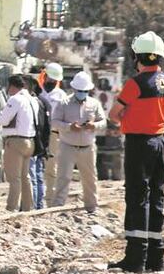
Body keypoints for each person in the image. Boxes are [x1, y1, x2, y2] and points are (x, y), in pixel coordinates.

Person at [107, 31, 164, 273]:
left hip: (138, 144)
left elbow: (114, 113)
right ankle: (156, 257)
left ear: (138, 57)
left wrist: (122, 120)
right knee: (156, 196)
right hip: (158, 141)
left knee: (137, 197)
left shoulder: (135, 83)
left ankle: (136, 258)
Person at [50, 72, 106, 212]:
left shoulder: (94, 103)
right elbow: (55, 121)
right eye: (80, 91)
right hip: (67, 145)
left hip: (88, 147)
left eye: (85, 91)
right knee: (63, 177)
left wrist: (95, 126)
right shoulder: (64, 103)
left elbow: (103, 121)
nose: (82, 93)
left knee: (90, 178)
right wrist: (69, 127)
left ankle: (92, 206)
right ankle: (58, 207)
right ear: (74, 89)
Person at [0, 75, 38, 212]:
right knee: (25, 177)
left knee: (14, 178)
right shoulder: (32, 100)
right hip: (30, 141)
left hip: (15, 141)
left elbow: (4, 120)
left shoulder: (15, 99)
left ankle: (11, 208)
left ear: (12, 86)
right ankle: (28, 207)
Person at [38, 63, 69, 207]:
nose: (51, 82)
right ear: (45, 76)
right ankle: (36, 199)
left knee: (51, 169)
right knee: (35, 167)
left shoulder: (61, 96)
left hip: (53, 135)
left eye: (54, 80)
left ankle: (50, 201)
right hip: (37, 133)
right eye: (49, 79)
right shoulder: (37, 92)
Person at [26, 75, 52, 210]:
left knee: (33, 175)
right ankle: (38, 205)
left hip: (35, 142)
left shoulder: (36, 102)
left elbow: (41, 125)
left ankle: (35, 205)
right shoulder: (43, 101)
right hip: (40, 143)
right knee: (37, 175)